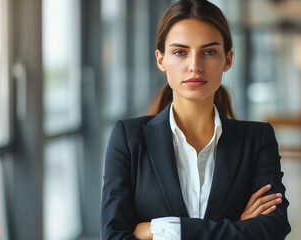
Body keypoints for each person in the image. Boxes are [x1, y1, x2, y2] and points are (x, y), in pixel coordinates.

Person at [101, 0, 291, 239]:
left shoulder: (256, 140)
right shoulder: (128, 138)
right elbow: (113, 235)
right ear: (161, 60)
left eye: (209, 52)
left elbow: (273, 229)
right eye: (180, 52)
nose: (195, 66)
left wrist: (165, 230)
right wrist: (237, 226)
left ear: (228, 59)